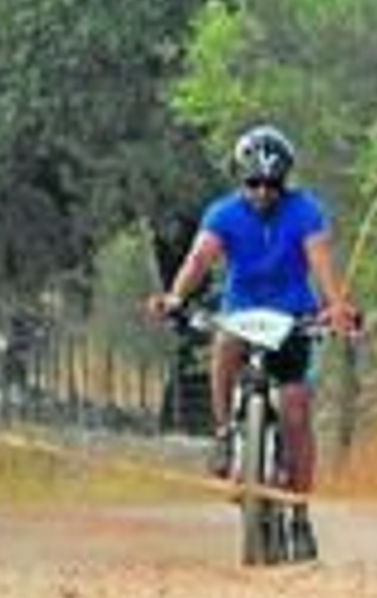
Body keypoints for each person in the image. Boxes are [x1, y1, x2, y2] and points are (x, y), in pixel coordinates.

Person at [149, 124, 359, 558]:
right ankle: (225, 432)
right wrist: (175, 297)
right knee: (225, 343)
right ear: (240, 181)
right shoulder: (223, 214)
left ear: (285, 183)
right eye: (254, 183)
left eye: (272, 185)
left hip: (294, 317)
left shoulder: (305, 211)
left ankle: (299, 515)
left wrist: (336, 306)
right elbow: (199, 258)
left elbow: (320, 261)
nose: (263, 192)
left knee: (297, 410)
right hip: (242, 313)